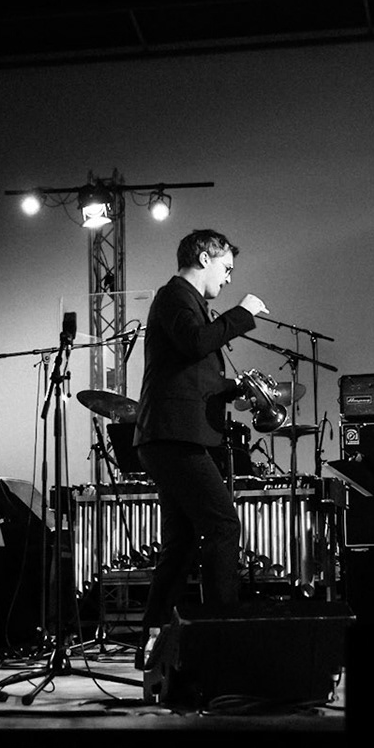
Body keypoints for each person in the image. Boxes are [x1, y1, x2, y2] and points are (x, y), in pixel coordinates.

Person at [132, 229, 265, 664]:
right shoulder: (175, 296)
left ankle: (151, 645)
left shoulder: (190, 304)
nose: (227, 279)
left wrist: (233, 391)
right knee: (224, 525)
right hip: (174, 437)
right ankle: (222, 639)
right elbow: (194, 342)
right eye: (226, 268)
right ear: (205, 257)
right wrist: (241, 314)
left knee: (183, 544)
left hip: (173, 436)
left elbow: (193, 372)